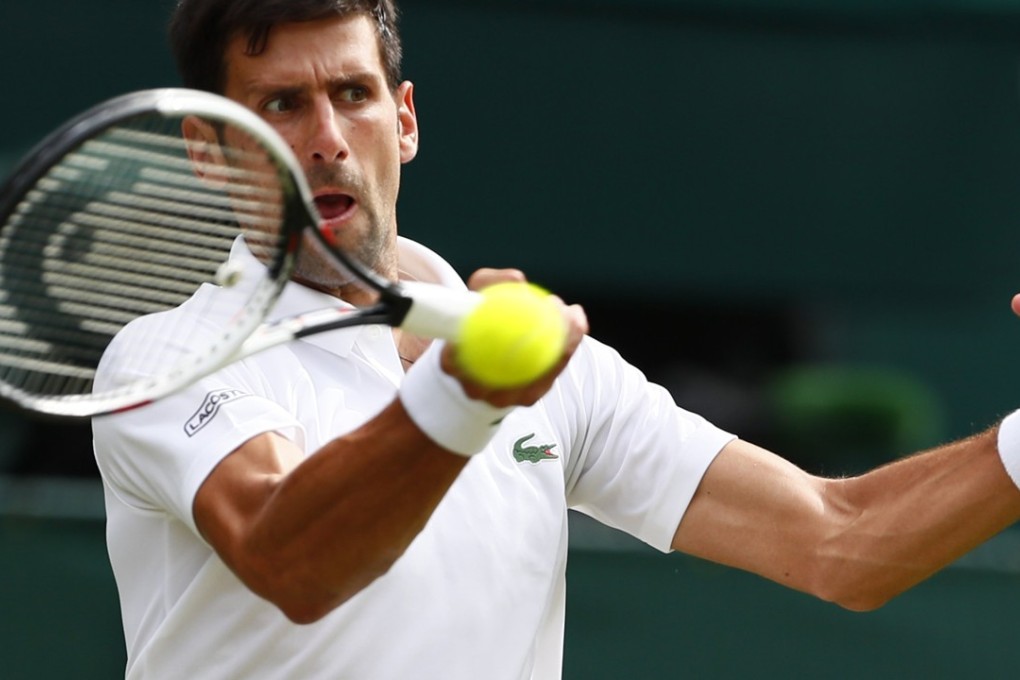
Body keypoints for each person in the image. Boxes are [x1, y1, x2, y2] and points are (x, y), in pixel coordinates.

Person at [91, 0, 1020, 678]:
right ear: (209, 149)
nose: (328, 137)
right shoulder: (167, 359)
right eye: (282, 106)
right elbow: (291, 558)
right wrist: (464, 395)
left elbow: (837, 543)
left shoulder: (558, 377)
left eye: (353, 93)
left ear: (404, 119)